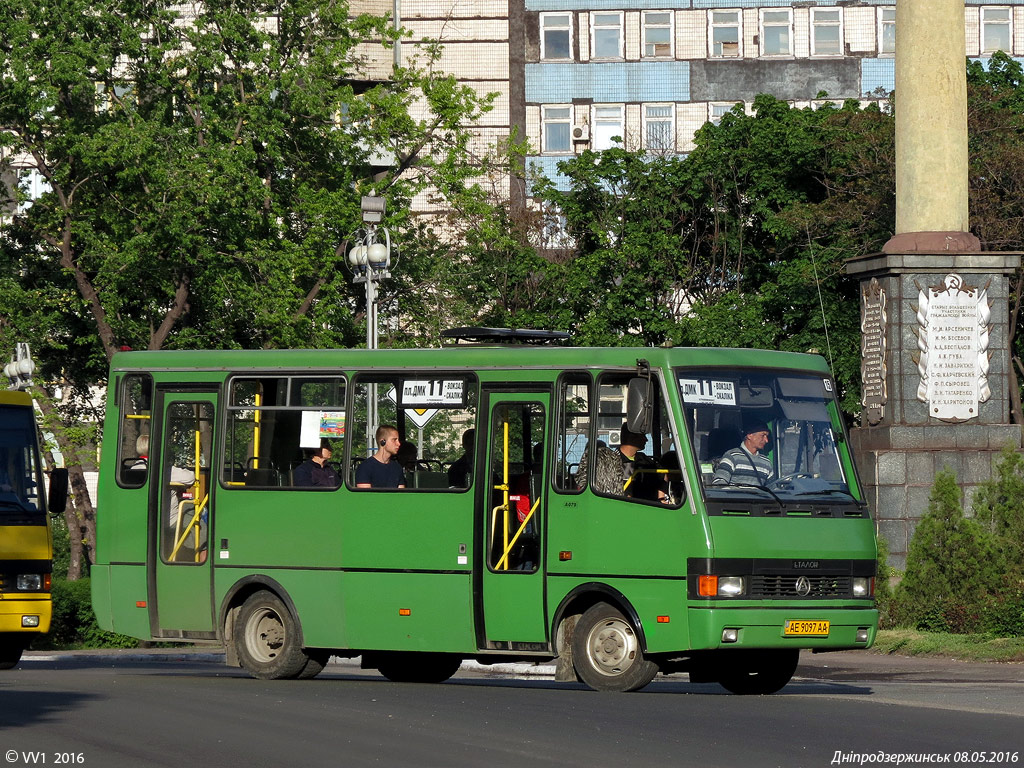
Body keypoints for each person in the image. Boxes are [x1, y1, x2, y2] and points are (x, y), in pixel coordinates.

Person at [576, 423, 666, 501]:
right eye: (643, 436)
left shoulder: (645, 460)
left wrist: (661, 497)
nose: (646, 440)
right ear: (631, 437)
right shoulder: (607, 461)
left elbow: (663, 476)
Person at [713, 420, 775, 486]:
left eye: (767, 436)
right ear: (749, 435)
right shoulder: (732, 456)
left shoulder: (766, 462)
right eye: (763, 435)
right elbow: (719, 483)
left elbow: (773, 488)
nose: (766, 440)